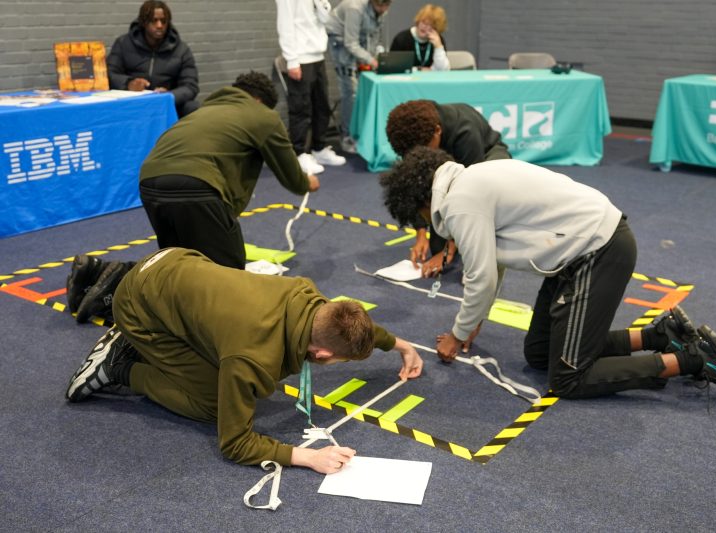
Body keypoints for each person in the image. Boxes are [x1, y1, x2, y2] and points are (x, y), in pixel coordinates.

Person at [380, 146, 716, 400]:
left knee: (568, 378)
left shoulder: (460, 202)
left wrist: (458, 333)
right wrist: (476, 320)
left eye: (420, 220)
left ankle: (695, 360)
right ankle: (659, 336)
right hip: (575, 253)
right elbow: (492, 262)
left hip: (597, 250)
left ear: (421, 203)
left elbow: (481, 276)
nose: (426, 226)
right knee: (540, 354)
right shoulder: (470, 179)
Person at [65, 247, 424, 471]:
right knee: (212, 405)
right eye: (339, 361)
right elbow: (235, 443)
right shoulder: (250, 357)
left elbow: (352, 326)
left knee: (213, 345)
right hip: (140, 307)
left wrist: (401, 345)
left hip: (172, 259)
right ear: (322, 353)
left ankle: (127, 312)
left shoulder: (309, 297)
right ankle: (120, 364)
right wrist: (307, 457)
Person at [66, 71, 319, 323]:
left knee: (178, 265)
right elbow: (291, 176)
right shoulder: (263, 115)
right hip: (196, 185)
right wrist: (308, 181)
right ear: (261, 101)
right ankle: (116, 289)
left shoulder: (204, 110)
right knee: (228, 278)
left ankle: (95, 274)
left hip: (151, 181)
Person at [385, 99, 510, 278]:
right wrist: (421, 232)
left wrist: (447, 252)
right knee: (438, 243)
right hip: (449, 165)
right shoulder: (416, 134)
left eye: (423, 150)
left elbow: (472, 196)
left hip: (486, 157)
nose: (418, 156)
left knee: (479, 205)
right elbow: (415, 190)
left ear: (438, 131)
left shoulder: (465, 132)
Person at [276, 0, 347, 176]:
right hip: (300, 58)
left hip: (318, 55)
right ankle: (299, 153)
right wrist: (292, 60)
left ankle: (319, 148)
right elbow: (285, 25)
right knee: (301, 109)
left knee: (322, 106)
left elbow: (325, 18)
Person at [107, 0, 200, 117]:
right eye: (154, 21)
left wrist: (170, 96)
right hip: (132, 102)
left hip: (165, 106)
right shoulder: (124, 43)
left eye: (163, 21)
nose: (159, 25)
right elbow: (110, 73)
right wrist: (129, 83)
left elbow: (190, 86)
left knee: (193, 107)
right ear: (144, 22)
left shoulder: (181, 49)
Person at [325, 0, 393, 154]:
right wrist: (371, 60)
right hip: (340, 41)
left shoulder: (381, 10)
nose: (383, 9)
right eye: (380, 6)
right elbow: (350, 43)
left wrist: (377, 57)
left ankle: (363, 132)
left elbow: (375, 37)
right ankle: (346, 137)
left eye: (387, 5)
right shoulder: (354, 8)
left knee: (366, 86)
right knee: (351, 92)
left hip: (358, 41)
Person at [390, 4, 450, 71]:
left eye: (430, 25)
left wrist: (438, 47)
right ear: (418, 21)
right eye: (423, 22)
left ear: (436, 29)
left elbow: (443, 70)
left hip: (430, 80)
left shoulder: (438, 40)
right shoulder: (401, 39)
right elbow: (392, 68)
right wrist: (419, 69)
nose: (424, 27)